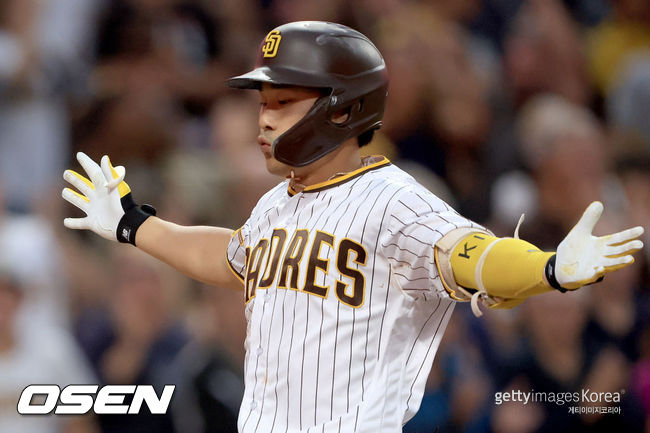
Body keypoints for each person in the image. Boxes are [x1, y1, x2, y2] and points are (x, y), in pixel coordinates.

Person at [62, 21, 644, 433]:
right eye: (263, 102)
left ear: (342, 110)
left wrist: (545, 270)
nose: (263, 118)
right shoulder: (277, 203)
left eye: (282, 101)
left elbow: (470, 255)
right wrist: (134, 225)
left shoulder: (392, 199)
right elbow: (229, 256)